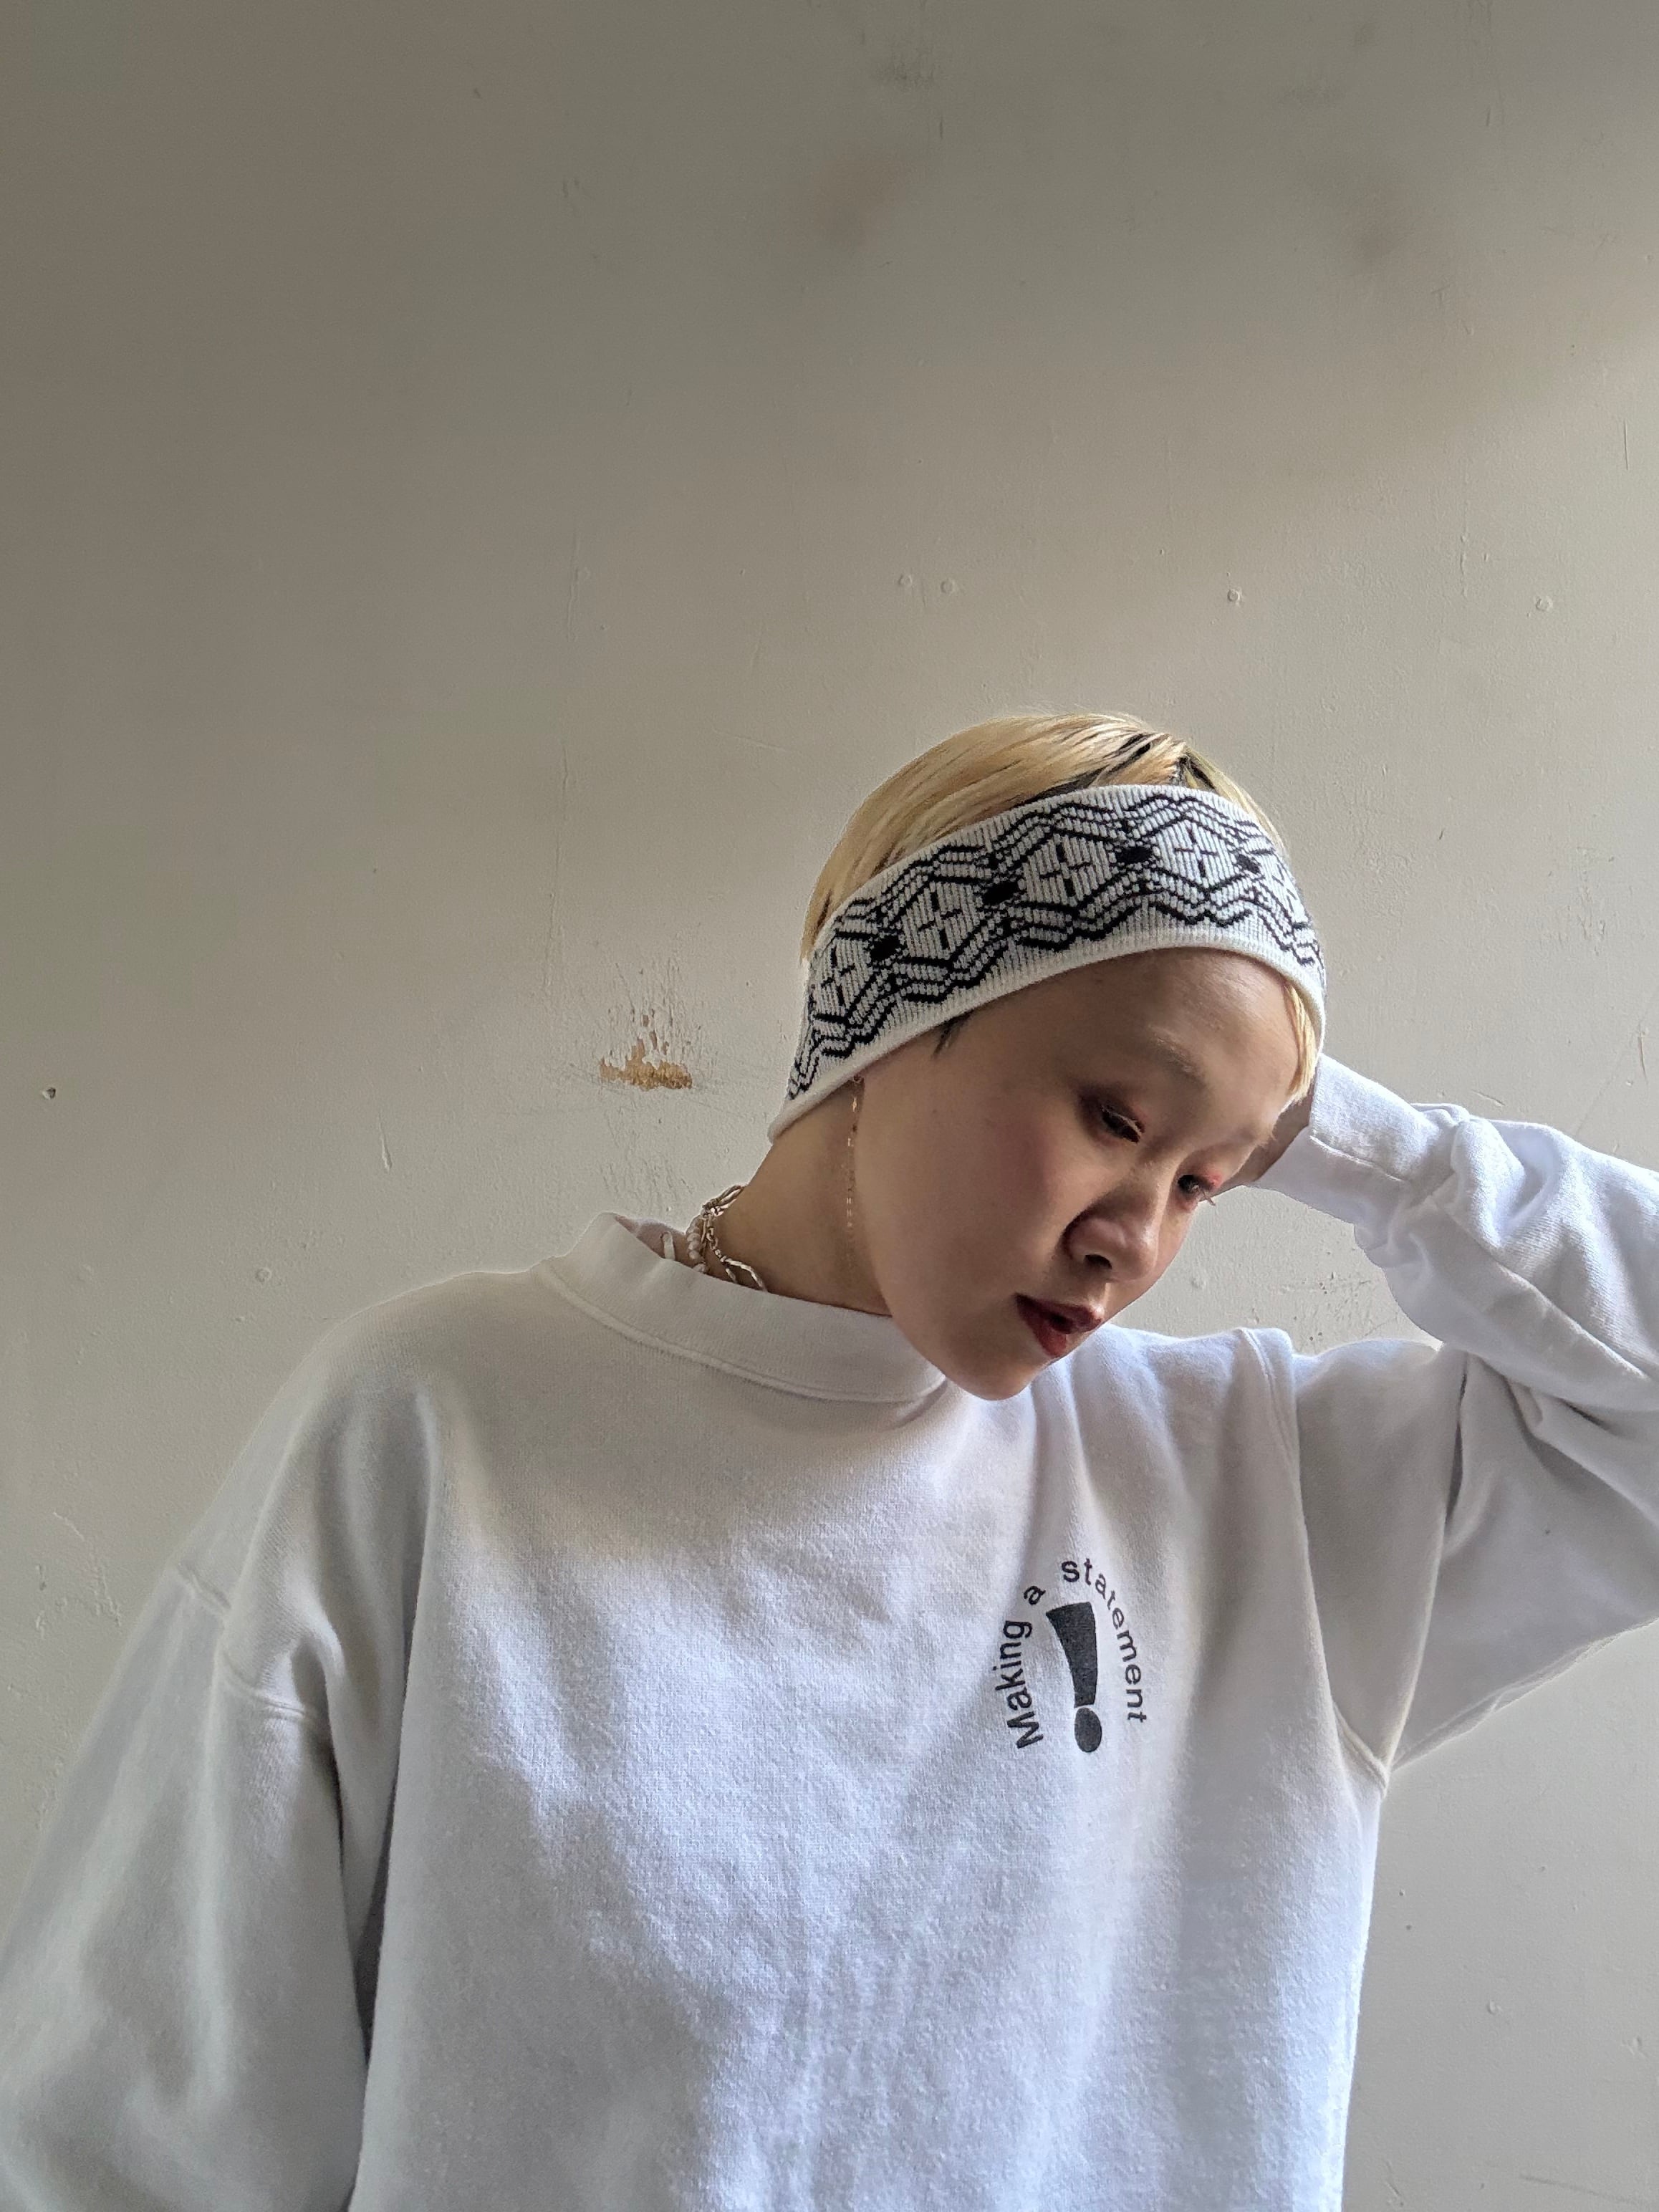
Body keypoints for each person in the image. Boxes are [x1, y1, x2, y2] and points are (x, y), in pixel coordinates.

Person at [1, 708, 1654, 2211]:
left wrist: (1324, 1116)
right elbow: (129, 2126)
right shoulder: (439, 1424)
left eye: (1207, 1181)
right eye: (1114, 1115)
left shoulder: (1256, 1493)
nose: (1135, 1237)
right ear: (887, 1011)